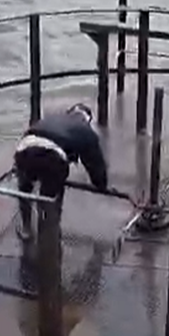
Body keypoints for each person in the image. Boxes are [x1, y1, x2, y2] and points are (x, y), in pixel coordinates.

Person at [13, 103, 108, 240]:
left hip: (24, 149)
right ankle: (49, 229)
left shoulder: (52, 118)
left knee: (25, 189)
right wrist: (101, 185)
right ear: (88, 119)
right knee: (51, 195)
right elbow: (95, 164)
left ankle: (27, 229)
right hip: (52, 157)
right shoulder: (85, 130)